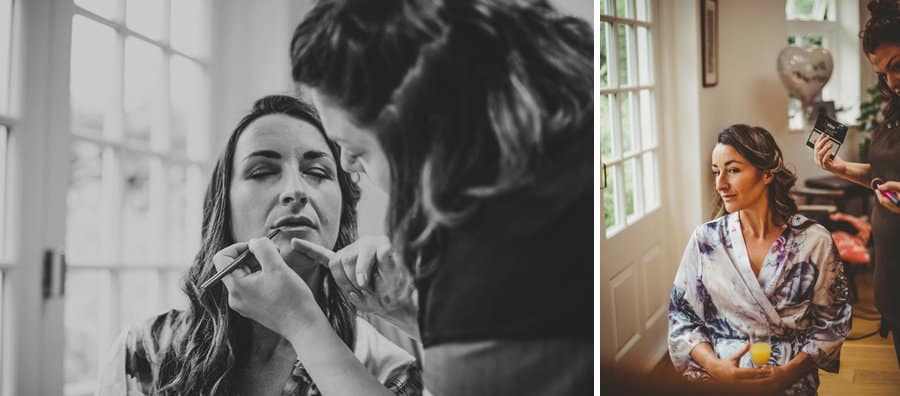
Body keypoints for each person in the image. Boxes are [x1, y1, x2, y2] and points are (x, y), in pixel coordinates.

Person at [217, 0, 593, 394]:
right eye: (261, 171)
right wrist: (417, 318)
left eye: (354, 150)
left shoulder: (491, 256)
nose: (348, 166)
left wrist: (301, 322)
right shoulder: (544, 187)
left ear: (417, 126)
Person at [96, 95, 422, 395]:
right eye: (263, 171)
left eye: (318, 171)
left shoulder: (388, 371)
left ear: (343, 208)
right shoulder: (143, 354)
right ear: (224, 207)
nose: (296, 190)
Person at [670, 125, 852, 395]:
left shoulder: (815, 241)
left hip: (790, 380)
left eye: (733, 170)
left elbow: (834, 321)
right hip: (719, 380)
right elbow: (681, 317)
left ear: (766, 173)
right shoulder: (705, 240)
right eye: (716, 172)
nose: (720, 184)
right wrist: (715, 366)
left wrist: (787, 374)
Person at [812, 0, 900, 365]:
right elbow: (886, 178)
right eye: (883, 74)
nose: (892, 81)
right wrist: (843, 168)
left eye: (896, 66)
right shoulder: (894, 110)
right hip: (892, 267)